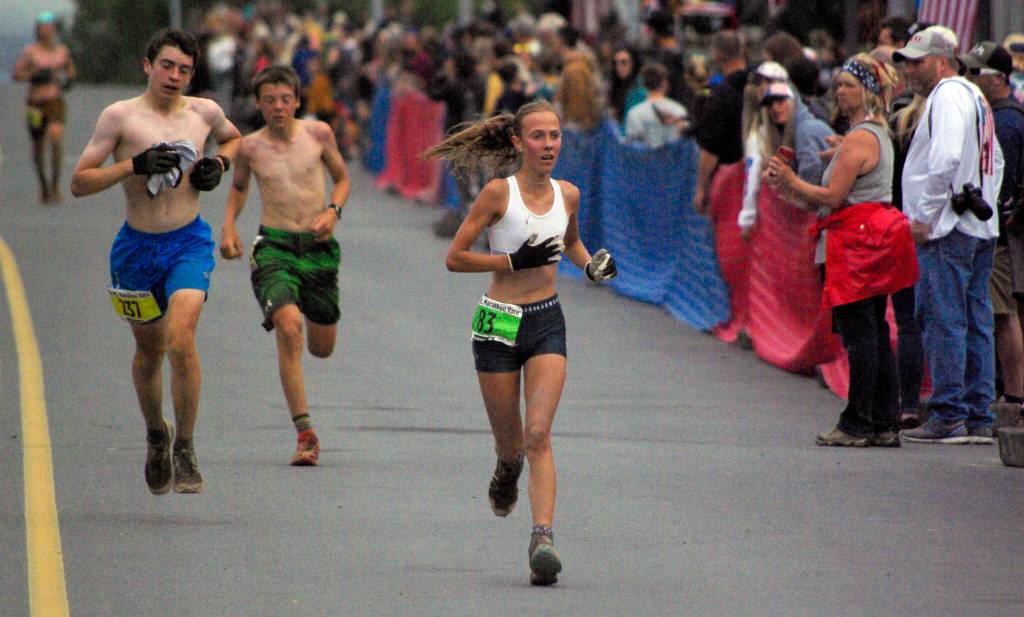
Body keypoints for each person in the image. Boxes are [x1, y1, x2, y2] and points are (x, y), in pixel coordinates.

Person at [423, 100, 617, 586]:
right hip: (498, 320)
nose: (548, 144)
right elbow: (455, 257)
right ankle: (505, 469)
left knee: (538, 436)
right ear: (517, 142)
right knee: (511, 442)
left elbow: (570, 243)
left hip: (546, 319)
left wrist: (591, 265)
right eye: (538, 136)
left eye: (554, 135)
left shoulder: (567, 194)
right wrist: (510, 261)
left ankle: (543, 539)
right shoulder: (497, 194)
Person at [69, 28, 241, 493]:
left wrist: (219, 165)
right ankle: (156, 433)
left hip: (188, 242)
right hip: (136, 249)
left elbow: (234, 140)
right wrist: (133, 165)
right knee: (150, 352)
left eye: (184, 69)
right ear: (148, 65)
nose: (175, 76)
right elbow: (79, 183)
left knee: (182, 339)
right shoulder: (120, 118)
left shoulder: (205, 112)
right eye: (167, 66)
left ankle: (185, 446)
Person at [765, 54, 917, 447]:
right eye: (840, 84)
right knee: (875, 331)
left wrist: (791, 180)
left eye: (849, 84)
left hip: (856, 244)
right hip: (867, 239)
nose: (840, 90)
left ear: (869, 91)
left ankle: (857, 422)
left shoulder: (863, 137)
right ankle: (883, 421)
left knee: (861, 333)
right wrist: (793, 187)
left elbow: (834, 195)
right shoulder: (869, 133)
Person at [219, 66, 351, 466]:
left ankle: (312, 314)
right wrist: (228, 226)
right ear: (258, 104)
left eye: (285, 99)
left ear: (297, 100)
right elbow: (239, 187)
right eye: (269, 100)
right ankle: (305, 434)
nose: (278, 107)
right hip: (274, 246)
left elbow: (342, 179)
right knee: (289, 329)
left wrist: (333, 211)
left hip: (318, 248)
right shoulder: (250, 147)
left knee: (321, 347)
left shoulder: (319, 135)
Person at [895, 27, 1004, 444]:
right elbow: (995, 160)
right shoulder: (975, 96)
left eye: (918, 61)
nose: (909, 70)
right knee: (976, 321)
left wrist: (924, 215)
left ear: (942, 60)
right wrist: (985, 202)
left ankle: (948, 413)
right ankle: (978, 415)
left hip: (949, 226)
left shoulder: (948, 95)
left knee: (945, 320)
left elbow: (944, 157)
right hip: (977, 225)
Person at [962, 42, 1024, 428]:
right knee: (1002, 312)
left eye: (977, 72)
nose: (971, 78)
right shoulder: (1002, 115)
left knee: (1002, 314)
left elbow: (1006, 182)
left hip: (1002, 232)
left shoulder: (1006, 121)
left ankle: (1014, 393)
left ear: (997, 79)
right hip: (1003, 229)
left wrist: (1005, 217)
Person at [12, 12, 76, 204]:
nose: (46, 32)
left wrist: (68, 80)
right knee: (39, 146)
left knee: (56, 137)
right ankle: (44, 186)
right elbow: (16, 74)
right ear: (38, 31)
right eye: (43, 29)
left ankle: (56, 185)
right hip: (35, 104)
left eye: (49, 29)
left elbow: (70, 70)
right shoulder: (31, 52)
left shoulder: (62, 51)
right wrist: (34, 75)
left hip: (54, 102)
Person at [693, 30, 748, 214]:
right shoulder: (758, 86)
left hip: (728, 184)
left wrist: (701, 187)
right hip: (760, 181)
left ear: (716, 55)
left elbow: (711, 149)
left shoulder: (720, 95)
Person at [623, 62, 689, 149]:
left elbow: (630, 147)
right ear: (664, 83)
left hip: (644, 161)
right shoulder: (679, 110)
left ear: (644, 84)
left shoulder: (634, 113)